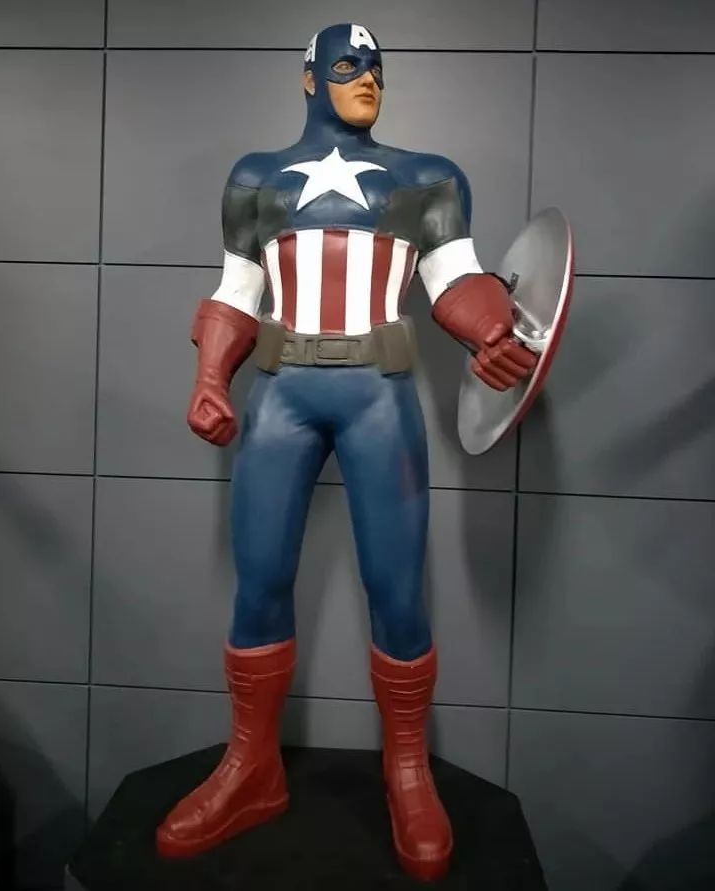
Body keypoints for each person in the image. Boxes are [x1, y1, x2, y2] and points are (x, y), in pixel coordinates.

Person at [156, 22, 537, 882]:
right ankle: (251, 767)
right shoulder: (256, 179)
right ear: (308, 78)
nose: (366, 78)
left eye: (375, 67)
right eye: (346, 65)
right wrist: (211, 377)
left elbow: (456, 281)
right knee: (259, 578)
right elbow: (236, 291)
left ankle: (407, 771)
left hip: (378, 396)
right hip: (281, 393)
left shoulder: (427, 178)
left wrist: (493, 332)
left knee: (396, 588)